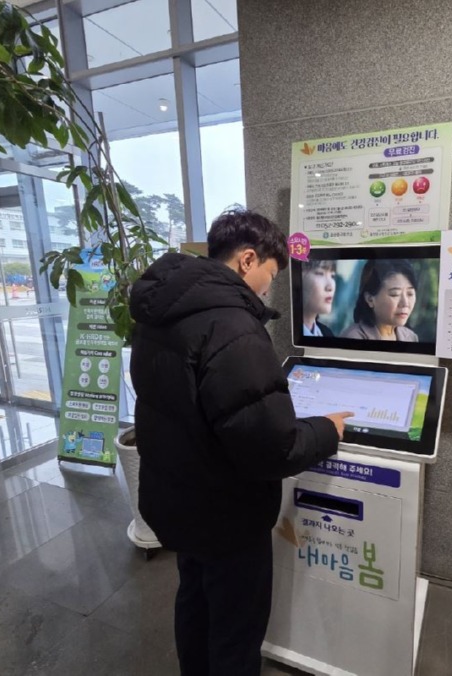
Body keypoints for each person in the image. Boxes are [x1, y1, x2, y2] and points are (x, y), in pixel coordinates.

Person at [129, 208, 353, 675]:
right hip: (226, 516)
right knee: (236, 630)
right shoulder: (232, 325)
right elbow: (272, 446)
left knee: (194, 602)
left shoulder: (160, 311)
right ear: (247, 260)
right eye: (270, 276)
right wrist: (326, 430)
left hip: (177, 501)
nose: (268, 290)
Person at [341, 259, 419, 341]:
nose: (405, 303)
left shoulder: (411, 337)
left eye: (410, 294)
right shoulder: (353, 337)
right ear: (370, 299)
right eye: (395, 294)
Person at [301, 259, 336, 337]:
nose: (330, 287)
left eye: (332, 276)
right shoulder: (286, 333)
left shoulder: (327, 334)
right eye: (320, 273)